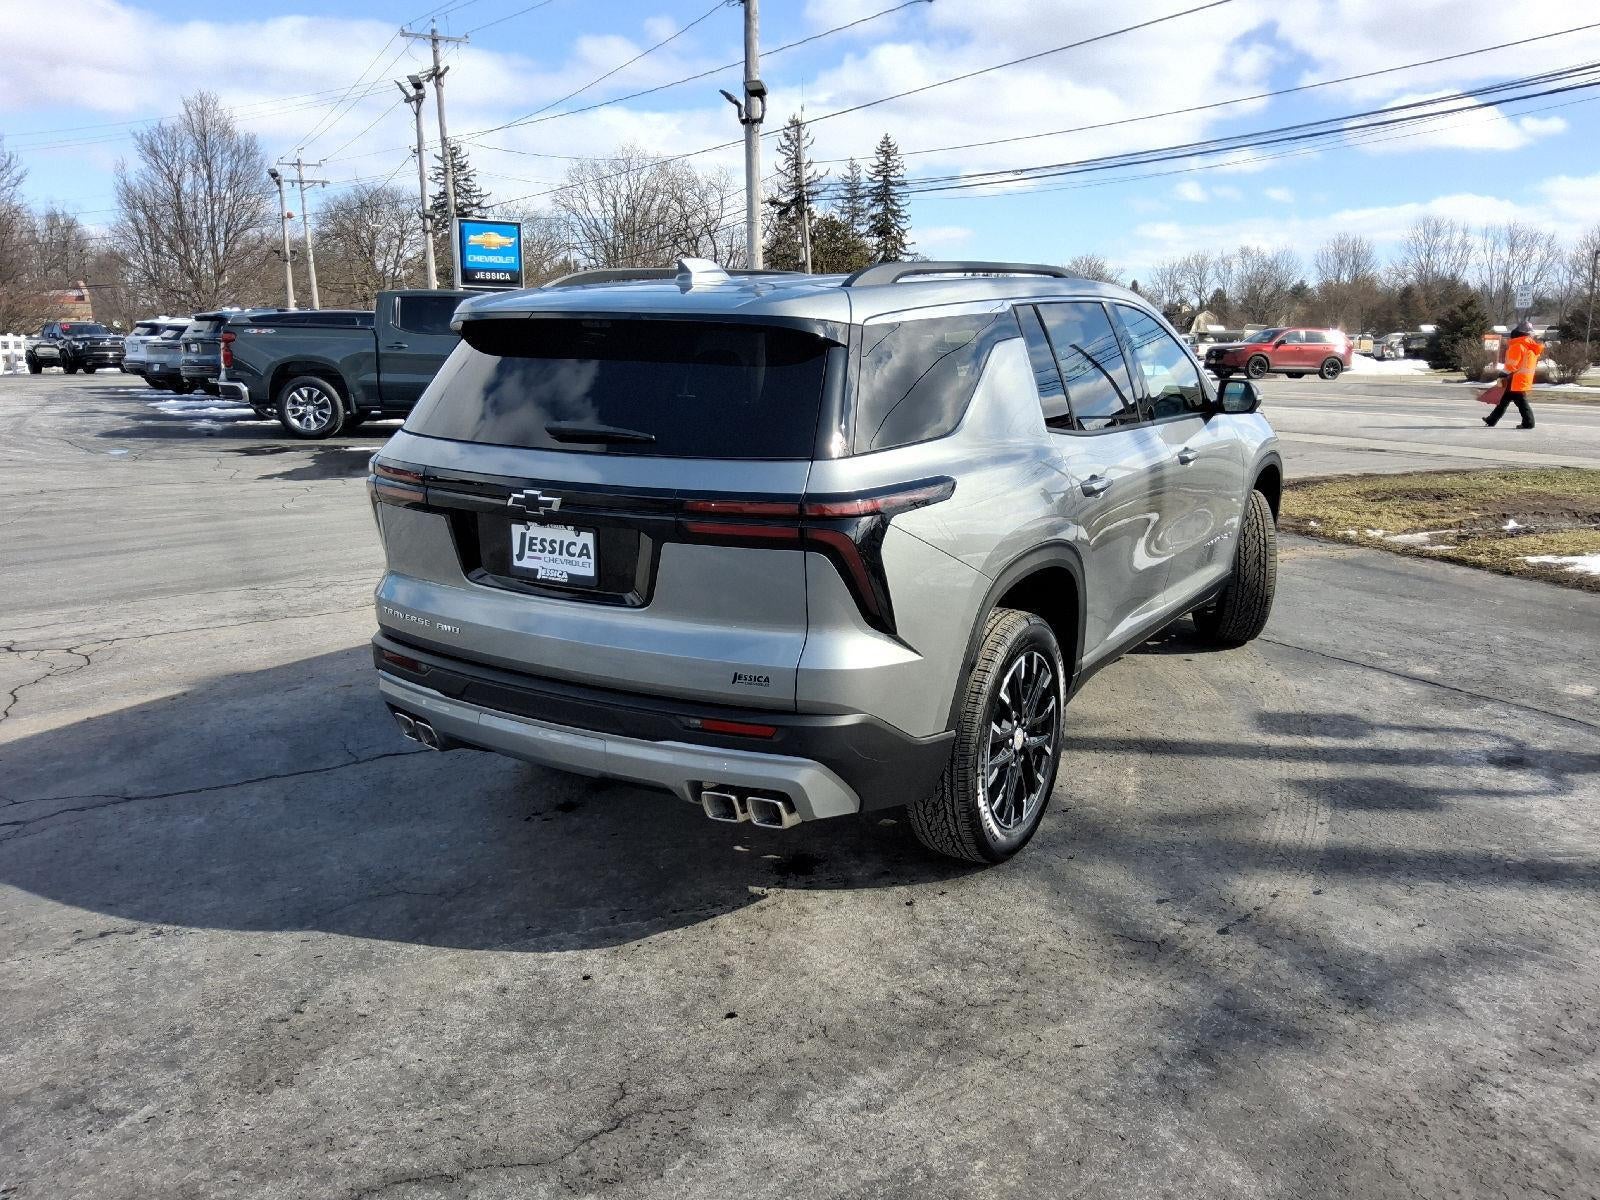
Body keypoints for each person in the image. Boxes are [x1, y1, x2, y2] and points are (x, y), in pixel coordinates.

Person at [1483, 320, 1542, 430]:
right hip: (1521, 379)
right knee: (1504, 400)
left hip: (1515, 379)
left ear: (1517, 333)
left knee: (1520, 403)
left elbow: (1512, 364)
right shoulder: (1529, 346)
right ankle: (1491, 420)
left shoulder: (1518, 345)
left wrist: (1503, 373)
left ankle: (1528, 423)